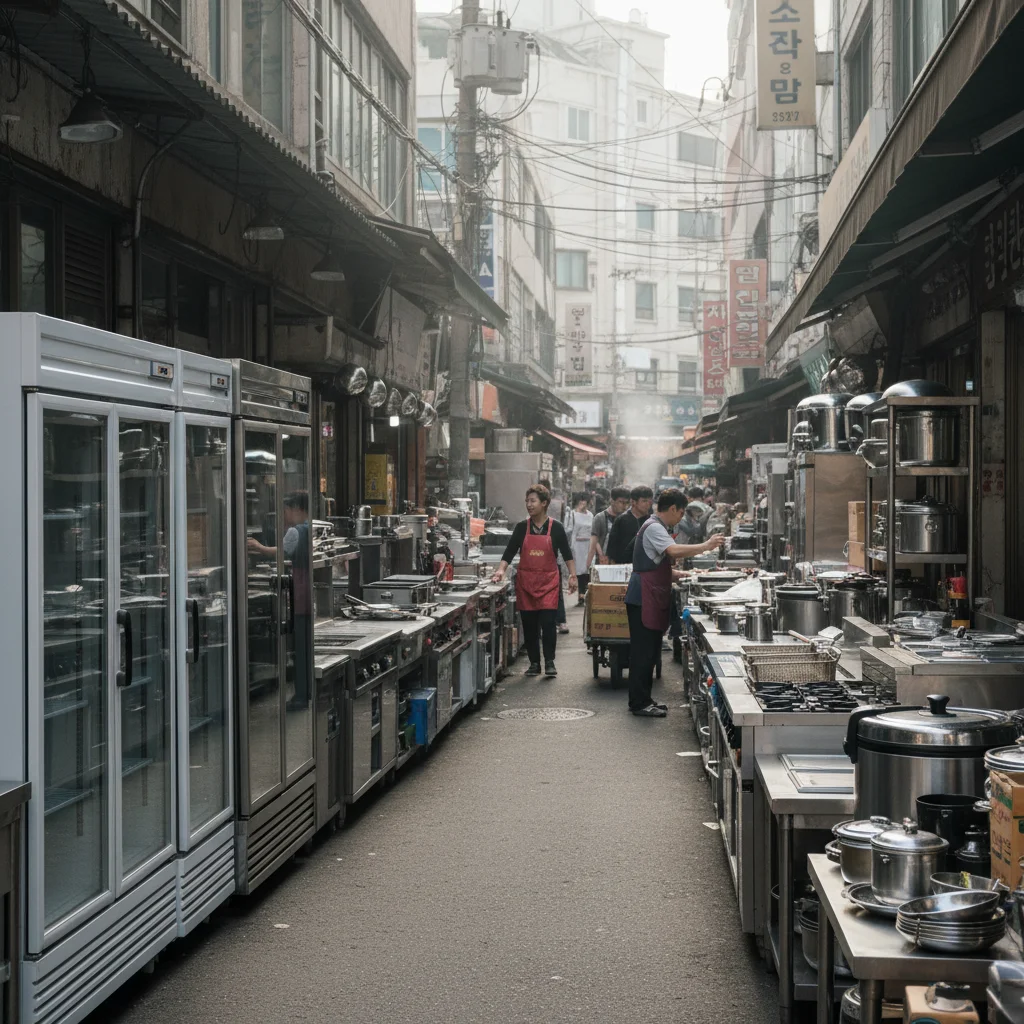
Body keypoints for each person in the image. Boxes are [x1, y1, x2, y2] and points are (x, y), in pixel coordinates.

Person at [625, 489, 723, 717]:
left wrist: (680, 575)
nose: (680, 518)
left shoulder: (657, 526)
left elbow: (655, 566)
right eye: (680, 513)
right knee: (642, 652)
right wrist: (706, 546)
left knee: (650, 652)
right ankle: (638, 703)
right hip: (643, 598)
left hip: (650, 595)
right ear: (672, 509)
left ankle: (645, 699)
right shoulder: (654, 527)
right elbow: (673, 550)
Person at [491, 484, 576, 678]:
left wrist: (573, 576)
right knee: (529, 625)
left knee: (548, 624)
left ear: (544, 503)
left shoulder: (556, 528)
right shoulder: (522, 527)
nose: (529, 505)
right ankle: (534, 663)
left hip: (549, 583)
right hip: (526, 583)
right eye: (527, 501)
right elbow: (509, 552)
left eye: (533, 501)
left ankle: (550, 662)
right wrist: (500, 570)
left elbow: (567, 554)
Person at [247, 491, 311, 709]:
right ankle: (306, 692)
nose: (284, 516)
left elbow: (282, 552)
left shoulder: (296, 530)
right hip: (307, 595)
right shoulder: (311, 527)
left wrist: (259, 548)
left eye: (286, 511)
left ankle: (301, 696)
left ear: (296, 509)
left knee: (300, 649)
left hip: (300, 596)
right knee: (305, 648)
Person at [606, 485, 653, 564]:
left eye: (650, 501)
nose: (648, 504)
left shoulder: (651, 522)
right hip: (623, 565)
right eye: (644, 501)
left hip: (645, 566)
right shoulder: (621, 520)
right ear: (633, 502)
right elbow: (612, 548)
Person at [588, 485, 629, 567]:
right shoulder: (600, 518)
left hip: (622, 563)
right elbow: (594, 541)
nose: (624, 506)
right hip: (603, 562)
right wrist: (600, 555)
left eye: (627, 503)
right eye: (621, 502)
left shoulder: (627, 518)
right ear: (612, 501)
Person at [564, 493, 594, 605]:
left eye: (585, 500)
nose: (583, 503)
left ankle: (585, 593)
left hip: (588, 545)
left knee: (587, 569)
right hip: (577, 545)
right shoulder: (572, 514)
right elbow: (570, 531)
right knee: (578, 570)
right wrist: (571, 547)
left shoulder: (590, 515)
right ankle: (580, 595)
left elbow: (593, 531)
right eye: (580, 500)